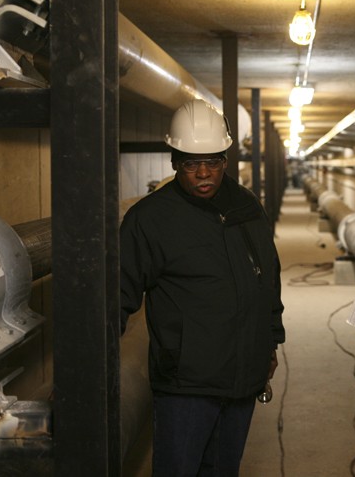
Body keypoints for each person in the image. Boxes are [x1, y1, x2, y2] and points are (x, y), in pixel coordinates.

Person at [120, 99, 285, 477]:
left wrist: (271, 342)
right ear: (175, 161)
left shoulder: (246, 207)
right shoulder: (149, 220)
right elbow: (116, 297)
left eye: (213, 161)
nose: (203, 173)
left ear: (226, 158)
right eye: (191, 163)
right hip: (186, 386)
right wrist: (87, 371)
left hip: (243, 376)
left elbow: (268, 280)